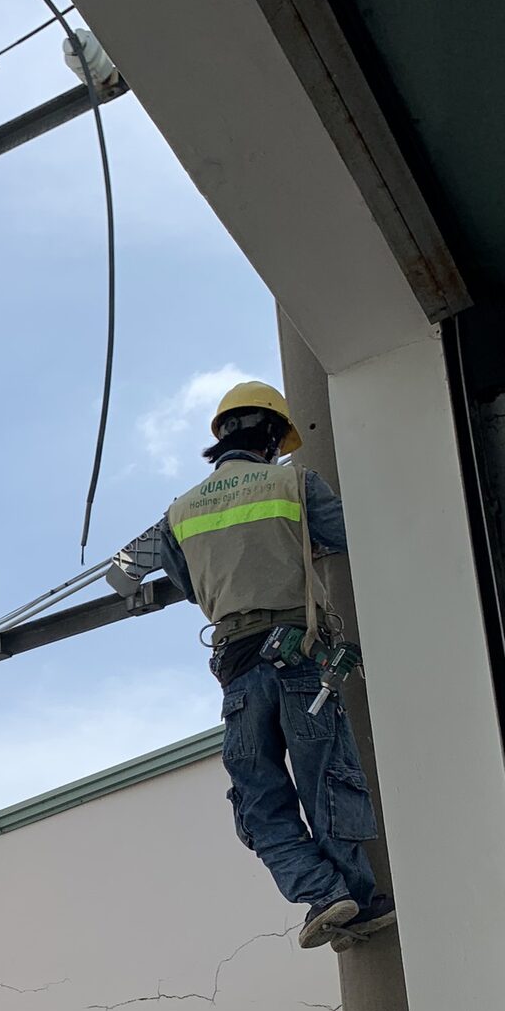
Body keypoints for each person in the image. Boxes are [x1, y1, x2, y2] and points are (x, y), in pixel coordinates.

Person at [156, 380, 395, 950]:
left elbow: (190, 586)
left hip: (237, 671)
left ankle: (321, 892)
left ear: (222, 438)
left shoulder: (178, 513)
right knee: (326, 782)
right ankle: (358, 898)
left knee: (259, 801)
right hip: (300, 658)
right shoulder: (294, 482)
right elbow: (348, 535)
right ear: (271, 435)